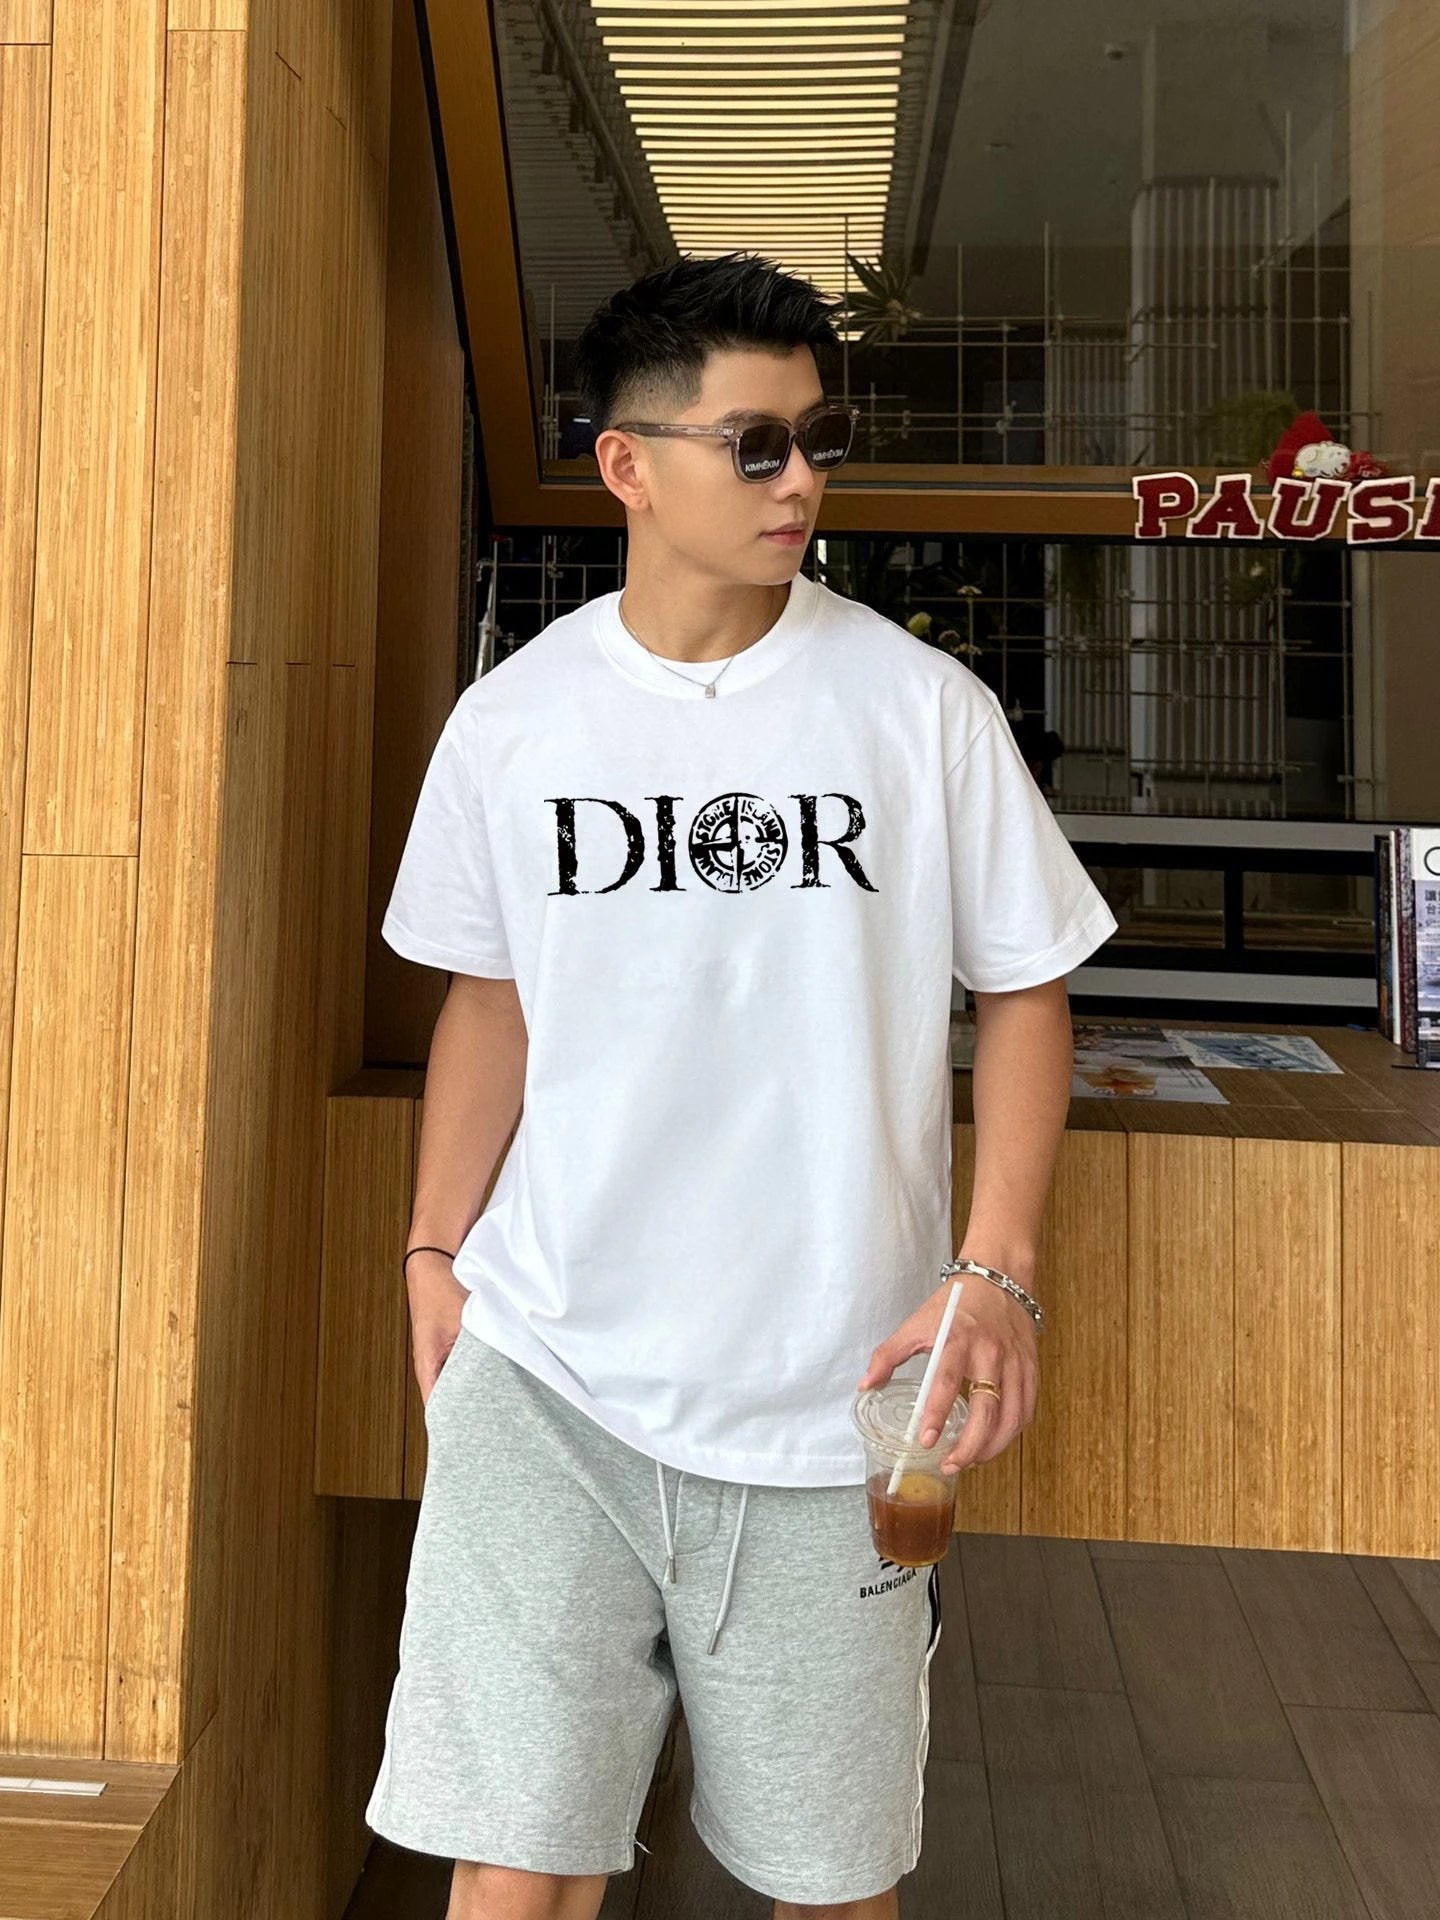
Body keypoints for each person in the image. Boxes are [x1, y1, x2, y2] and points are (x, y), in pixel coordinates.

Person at [364, 251, 1118, 1920]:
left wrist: (996, 1271)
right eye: (754, 445)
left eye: (817, 441)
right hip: (547, 1373)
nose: (800, 481)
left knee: (828, 1882)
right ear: (627, 464)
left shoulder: (919, 709)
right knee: (516, 1862)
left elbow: (1026, 987)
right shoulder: (514, 721)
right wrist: (432, 1251)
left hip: (830, 1400)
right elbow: (493, 998)